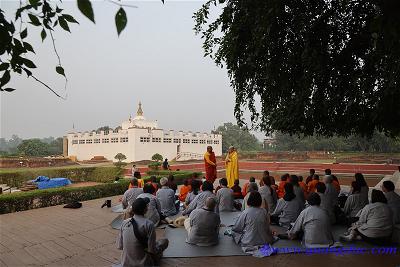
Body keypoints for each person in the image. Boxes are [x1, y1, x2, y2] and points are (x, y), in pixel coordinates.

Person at [116, 198, 169, 267]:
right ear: (145, 210)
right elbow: (151, 250)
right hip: (144, 264)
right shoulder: (149, 224)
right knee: (164, 241)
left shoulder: (125, 223)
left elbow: (120, 246)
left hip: (126, 263)